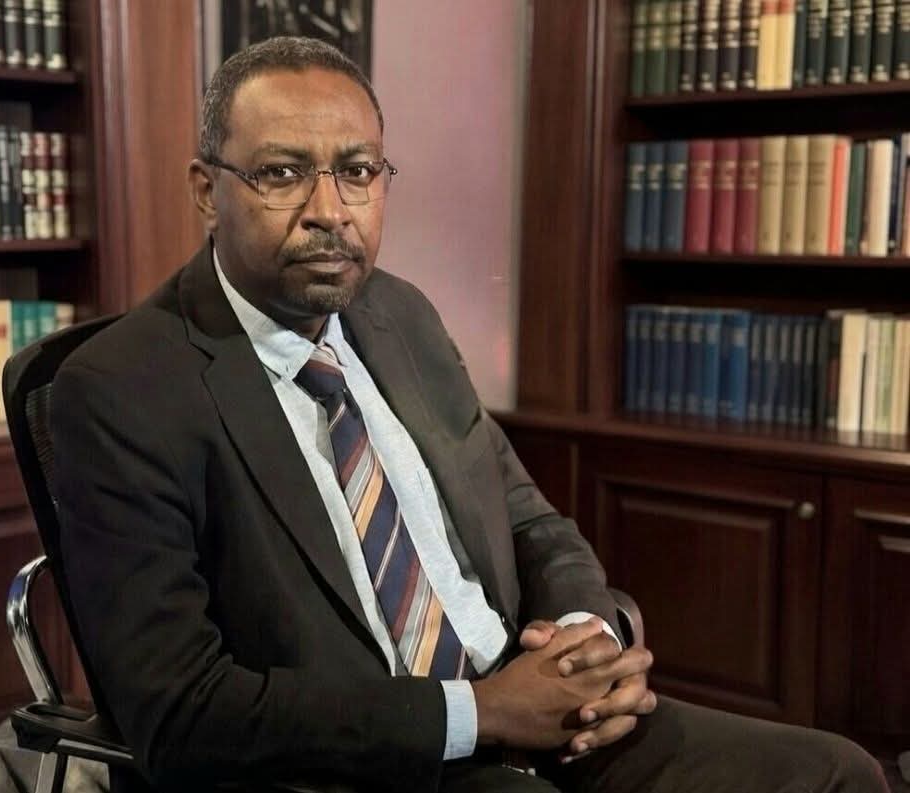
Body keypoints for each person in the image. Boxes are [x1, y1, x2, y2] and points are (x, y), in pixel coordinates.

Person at [51, 36, 889, 793]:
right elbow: (180, 710)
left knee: (836, 773)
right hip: (372, 759)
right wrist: (481, 713)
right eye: (281, 173)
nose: (330, 210)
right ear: (207, 191)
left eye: (358, 171)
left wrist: (582, 635)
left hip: (539, 705)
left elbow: (526, 516)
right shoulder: (122, 388)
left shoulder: (399, 316)